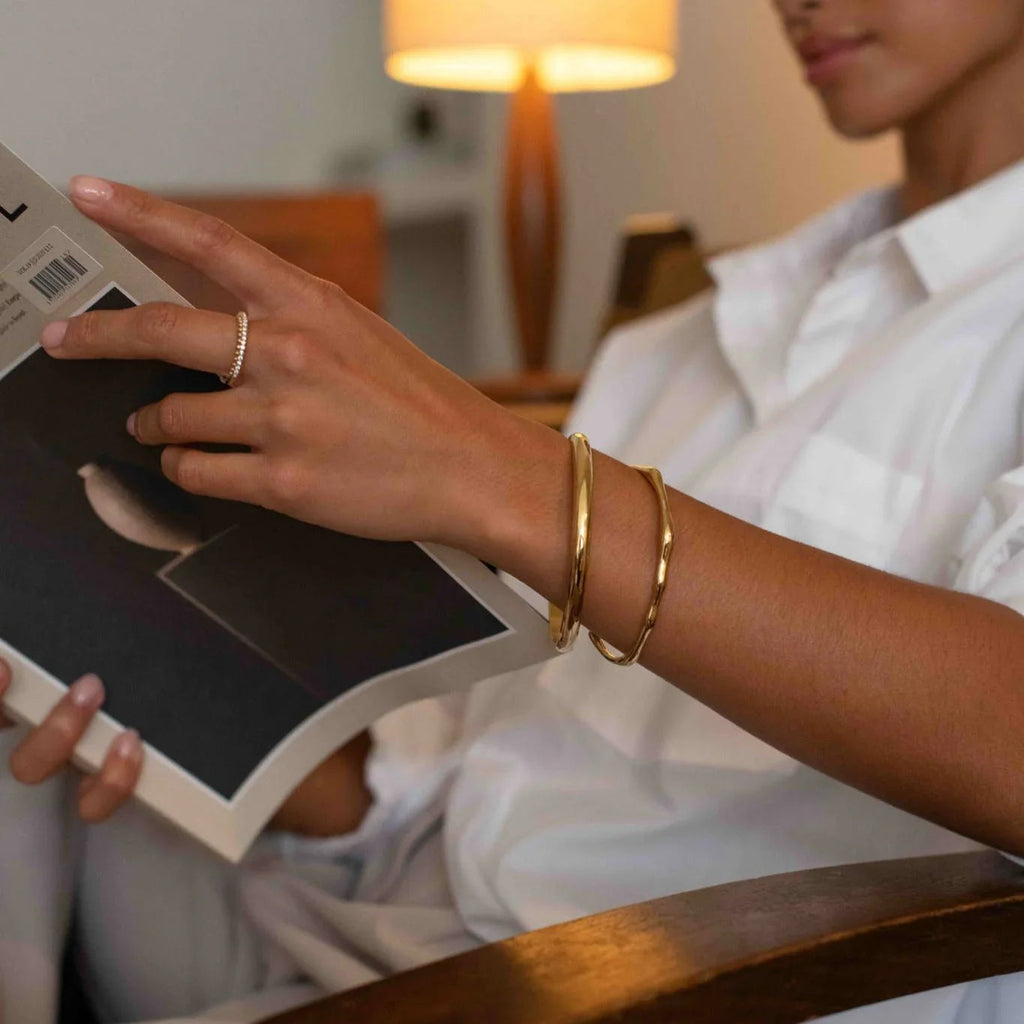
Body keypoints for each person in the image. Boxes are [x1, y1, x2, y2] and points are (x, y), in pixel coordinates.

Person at [4, 0, 1024, 1020]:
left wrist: (494, 469)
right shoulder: (677, 343)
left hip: (636, 984)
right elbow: (435, 783)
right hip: (370, 916)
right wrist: (154, 684)